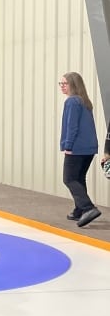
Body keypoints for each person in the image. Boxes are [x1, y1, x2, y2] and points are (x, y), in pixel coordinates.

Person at [59, 72, 101, 227]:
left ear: (73, 85)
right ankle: (79, 210)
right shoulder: (84, 101)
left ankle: (88, 208)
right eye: (61, 84)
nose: (62, 86)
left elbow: (72, 126)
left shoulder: (72, 102)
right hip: (89, 149)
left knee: (69, 178)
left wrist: (68, 145)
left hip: (77, 148)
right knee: (78, 178)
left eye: (65, 84)